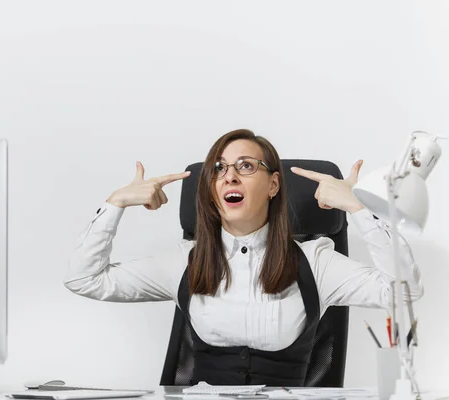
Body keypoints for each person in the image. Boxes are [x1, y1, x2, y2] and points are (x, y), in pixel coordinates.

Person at [63, 129, 423, 386]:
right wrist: (115, 204)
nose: (229, 175)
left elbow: (404, 292)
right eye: (218, 168)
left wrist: (357, 208)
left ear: (273, 185)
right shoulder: (184, 263)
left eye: (246, 166)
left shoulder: (316, 263)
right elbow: (85, 279)